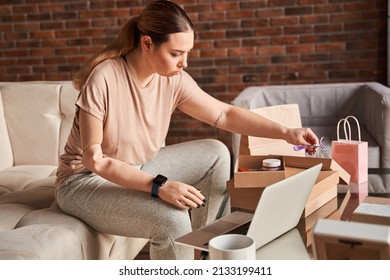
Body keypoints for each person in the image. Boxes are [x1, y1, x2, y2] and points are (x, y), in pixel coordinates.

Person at [55, 0, 319, 260]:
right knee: (172, 220)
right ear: (147, 43)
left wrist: (286, 132)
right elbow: (95, 160)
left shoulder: (173, 80)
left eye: (187, 53)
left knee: (216, 153)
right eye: (176, 54)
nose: (184, 63)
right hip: (84, 182)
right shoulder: (104, 78)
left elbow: (225, 114)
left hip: (136, 166)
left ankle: (204, 250)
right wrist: (160, 186)